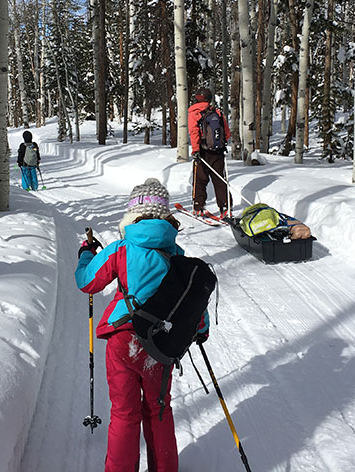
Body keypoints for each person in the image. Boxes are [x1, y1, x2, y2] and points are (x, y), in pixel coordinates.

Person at [75, 178, 208, 472]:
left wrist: (86, 254)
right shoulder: (176, 253)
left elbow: (87, 283)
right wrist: (201, 329)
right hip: (160, 345)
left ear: (132, 214)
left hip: (123, 339)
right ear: (164, 215)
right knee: (159, 411)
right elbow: (191, 297)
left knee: (124, 413)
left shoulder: (121, 248)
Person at [187, 87, 232, 218]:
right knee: (219, 180)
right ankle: (225, 208)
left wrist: (195, 150)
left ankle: (198, 207)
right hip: (217, 152)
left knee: (200, 180)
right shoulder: (217, 112)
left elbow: (194, 133)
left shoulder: (194, 113)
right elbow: (227, 133)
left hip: (202, 151)